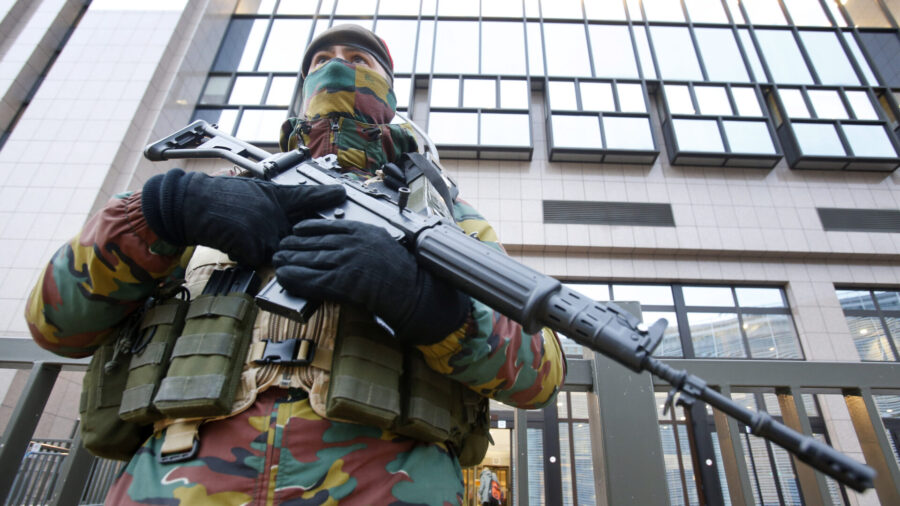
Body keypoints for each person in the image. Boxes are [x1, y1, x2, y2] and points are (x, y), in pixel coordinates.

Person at [25, 24, 564, 504]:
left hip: (390, 481)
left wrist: (427, 304)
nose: (336, 64)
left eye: (360, 58)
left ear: (390, 92)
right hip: (176, 477)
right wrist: (164, 212)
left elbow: (539, 375)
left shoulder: (443, 213)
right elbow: (55, 324)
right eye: (319, 59)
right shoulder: (228, 193)